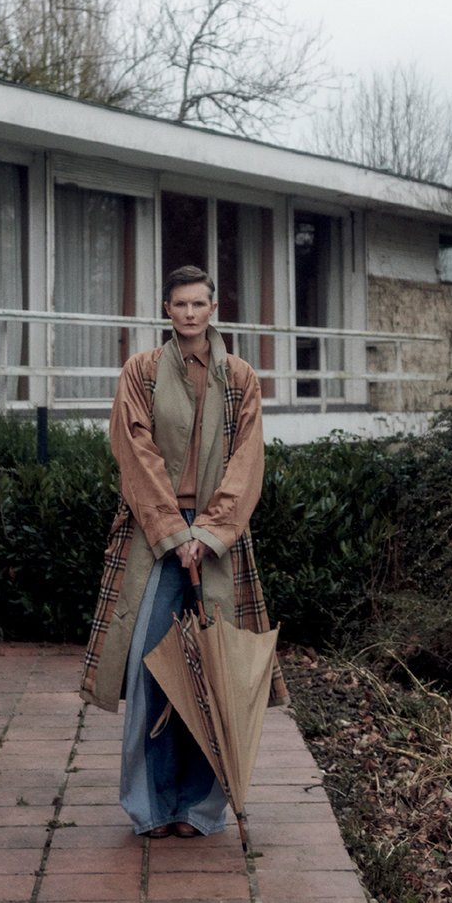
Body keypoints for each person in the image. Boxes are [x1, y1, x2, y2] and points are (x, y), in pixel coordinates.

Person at [79, 264, 287, 839]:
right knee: (152, 670)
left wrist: (209, 534)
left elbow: (248, 464)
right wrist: (175, 533)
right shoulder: (141, 374)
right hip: (155, 537)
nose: (190, 314)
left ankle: (200, 809)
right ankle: (150, 808)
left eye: (199, 304)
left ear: (213, 308)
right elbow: (134, 452)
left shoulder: (241, 379)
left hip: (218, 540)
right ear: (166, 310)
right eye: (179, 305)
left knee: (214, 675)